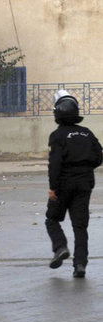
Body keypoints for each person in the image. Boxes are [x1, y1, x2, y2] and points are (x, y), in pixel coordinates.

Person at [45, 90, 102, 278]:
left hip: (63, 185)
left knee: (52, 219)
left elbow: (55, 164)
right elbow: (98, 156)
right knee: (80, 226)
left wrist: (53, 188)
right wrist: (85, 167)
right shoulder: (87, 134)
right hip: (84, 184)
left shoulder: (57, 135)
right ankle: (80, 265)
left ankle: (60, 247)